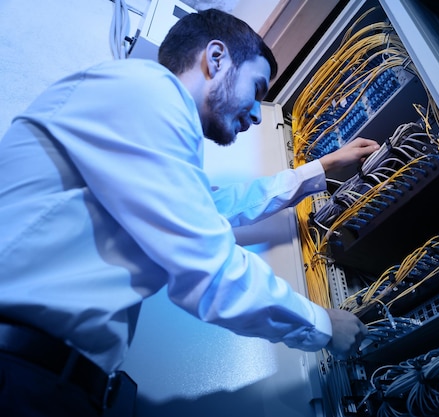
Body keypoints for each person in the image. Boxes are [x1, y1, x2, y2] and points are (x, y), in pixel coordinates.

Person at [0, 7, 377, 417]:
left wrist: (318, 169)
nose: (255, 114)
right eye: (258, 87)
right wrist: (321, 325)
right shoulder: (146, 92)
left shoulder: (143, 114)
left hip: (45, 380)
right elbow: (206, 265)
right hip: (19, 375)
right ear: (216, 58)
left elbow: (214, 209)